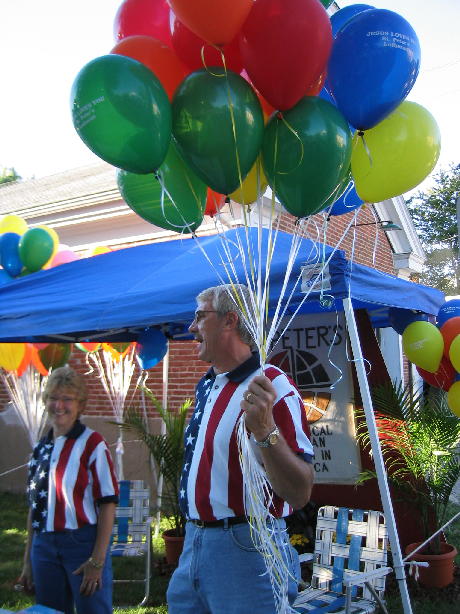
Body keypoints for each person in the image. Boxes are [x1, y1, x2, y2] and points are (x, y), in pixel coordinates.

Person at [167, 284, 315, 614]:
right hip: (194, 542)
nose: (191, 327)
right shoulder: (208, 385)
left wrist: (264, 431)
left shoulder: (273, 387)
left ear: (230, 321)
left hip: (246, 549)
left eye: (199, 317)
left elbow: (299, 491)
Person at [18, 366, 119, 614]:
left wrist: (97, 560)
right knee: (50, 611)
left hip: (82, 544)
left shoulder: (92, 444)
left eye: (67, 399)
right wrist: (28, 562)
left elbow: (108, 503)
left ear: (80, 405)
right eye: (53, 398)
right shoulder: (40, 449)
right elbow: (35, 508)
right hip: (44, 547)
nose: (59, 405)